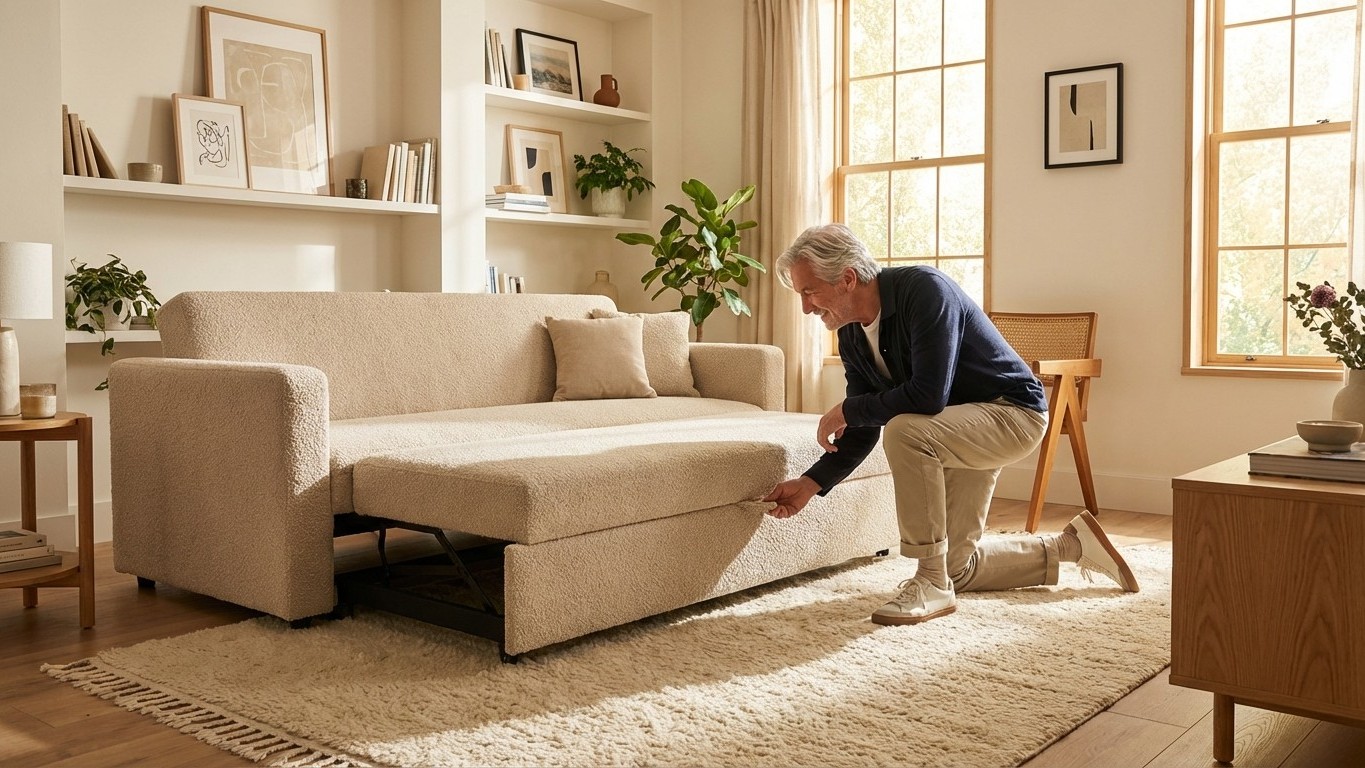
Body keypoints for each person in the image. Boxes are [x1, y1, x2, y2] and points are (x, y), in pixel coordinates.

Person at [762, 223, 1138, 626]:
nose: (806, 307)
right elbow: (865, 423)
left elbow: (926, 396)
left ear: (847, 278)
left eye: (809, 291)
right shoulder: (852, 335)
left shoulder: (924, 290)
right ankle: (1070, 547)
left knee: (905, 428)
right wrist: (811, 482)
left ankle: (927, 582)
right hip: (953, 428)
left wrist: (850, 410)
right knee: (956, 569)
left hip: (1012, 414)